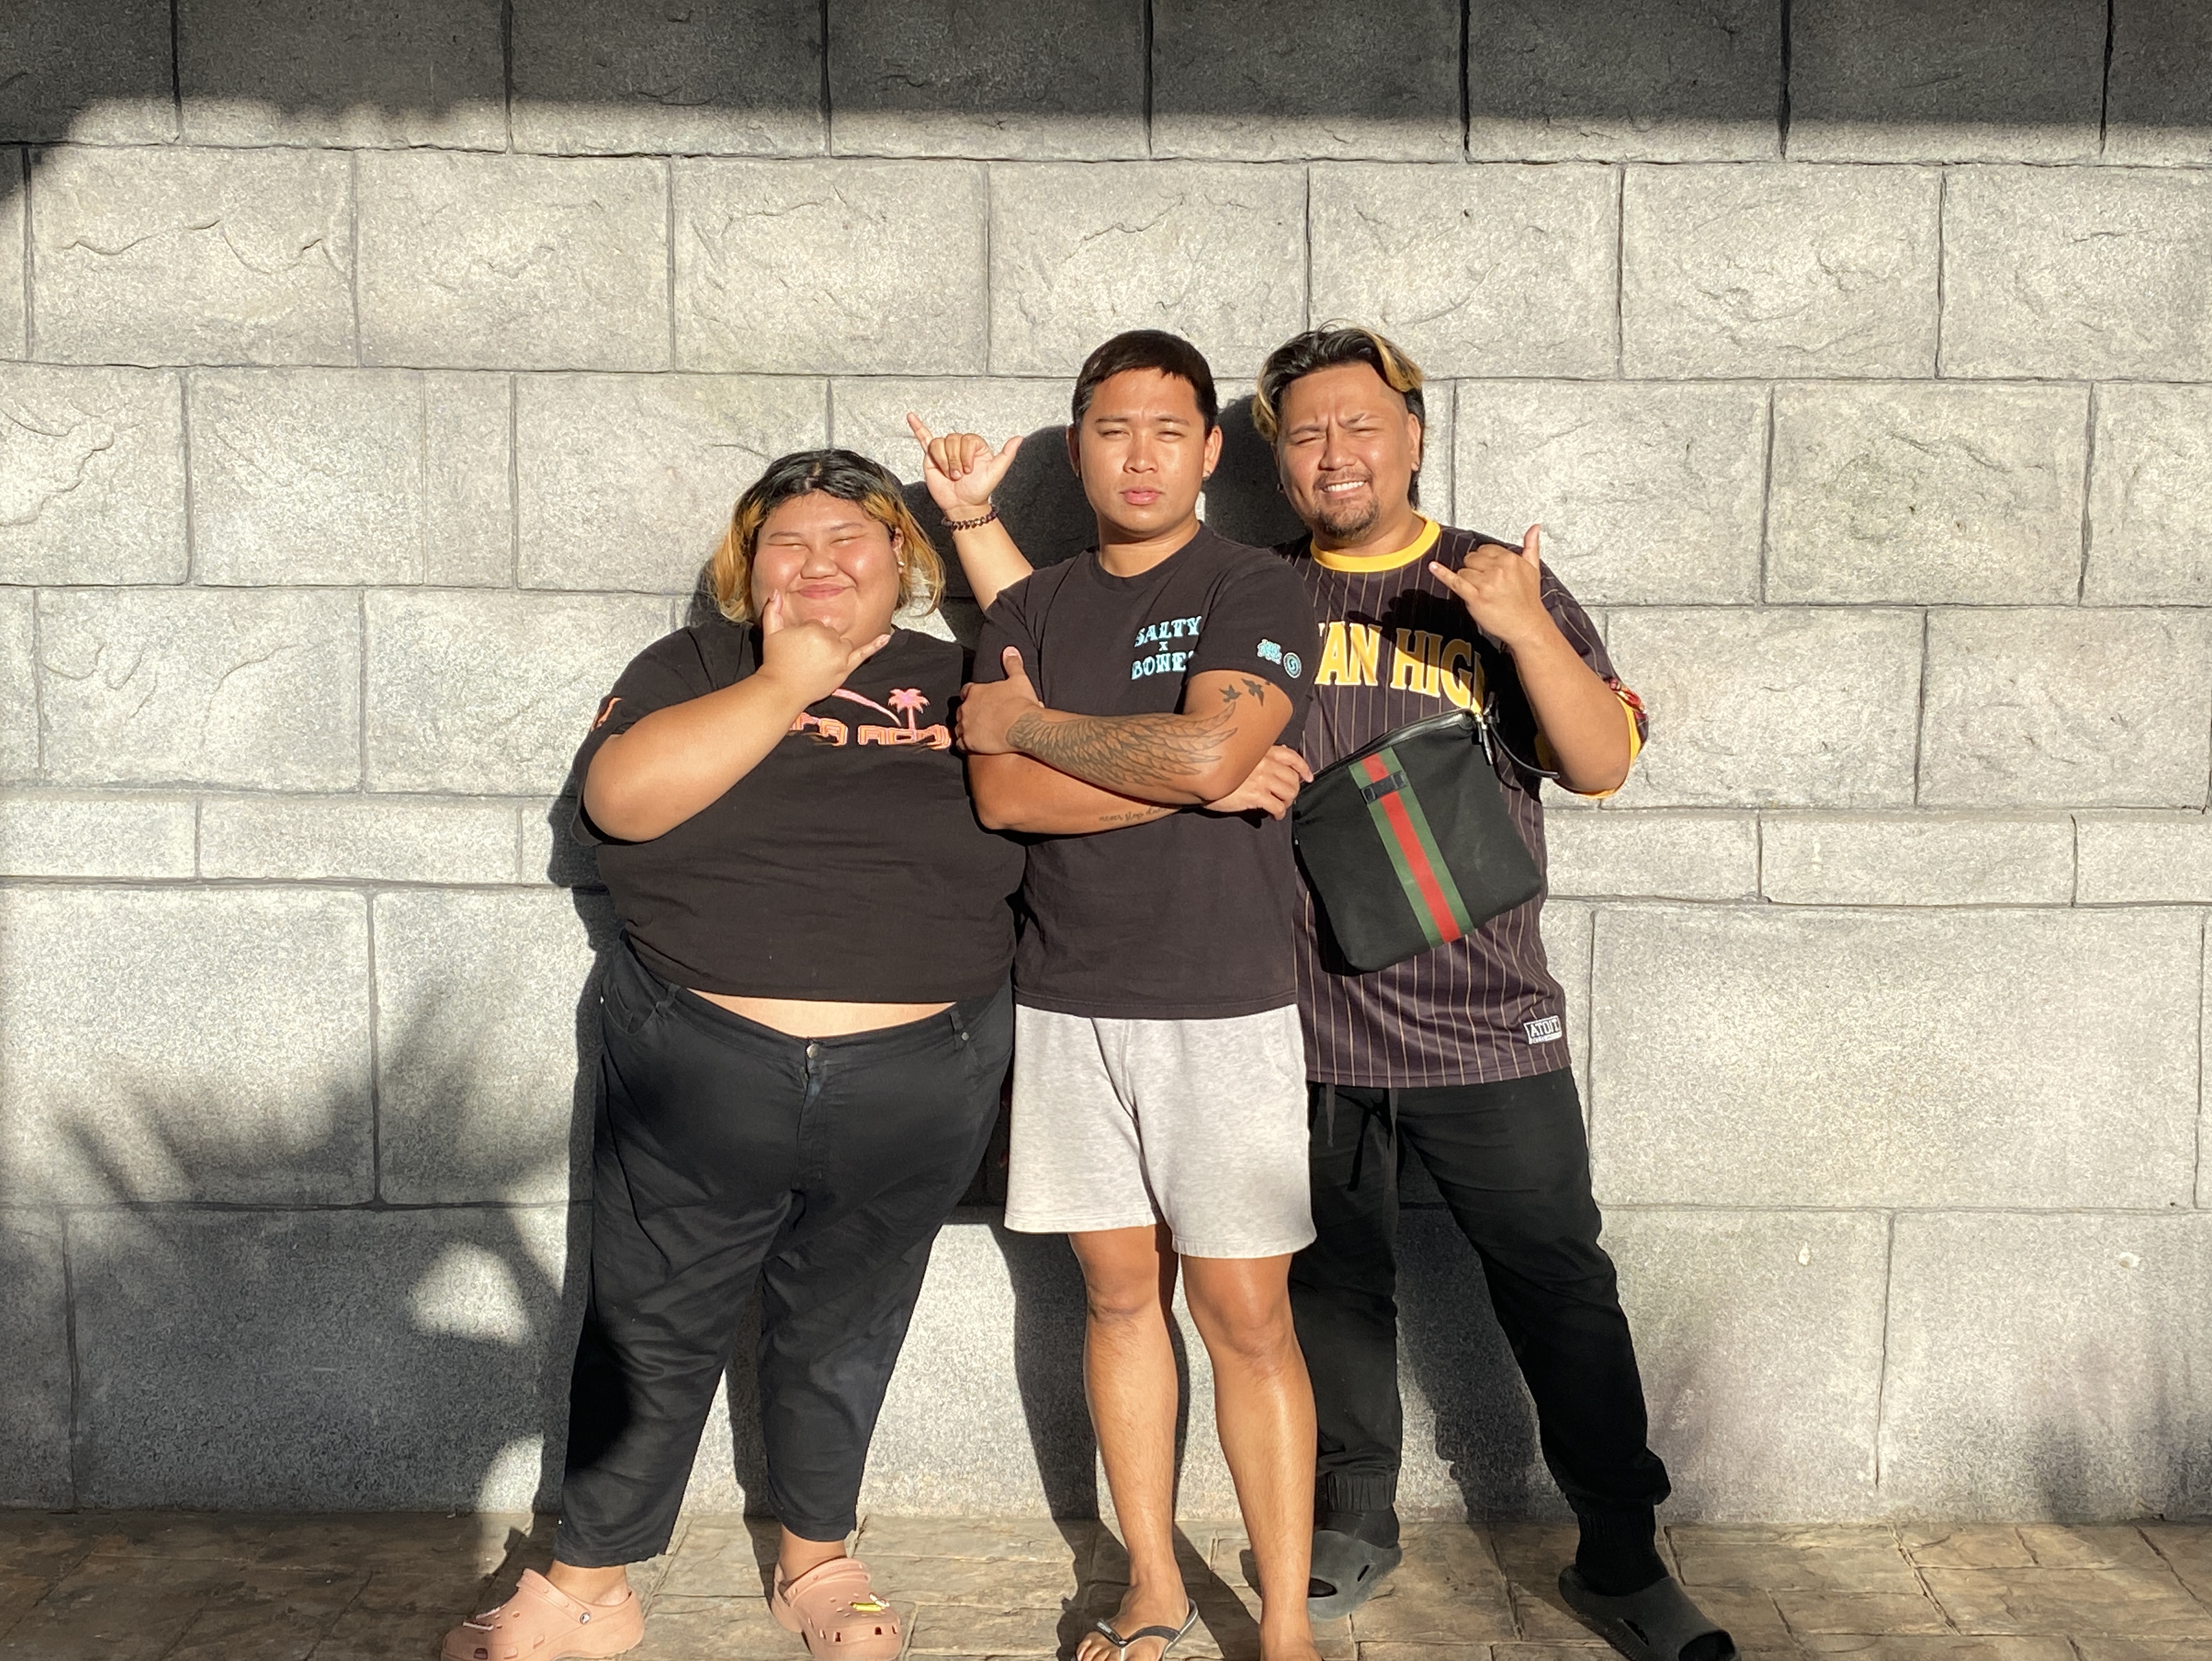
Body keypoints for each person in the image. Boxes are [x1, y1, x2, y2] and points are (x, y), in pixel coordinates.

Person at [442, 450, 1025, 1661]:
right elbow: (623, 802)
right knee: (649, 1321)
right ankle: (590, 1579)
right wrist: (788, 680)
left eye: (848, 539)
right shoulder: (692, 667)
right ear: (746, 569)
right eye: (786, 545)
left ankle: (818, 1558)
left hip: (924, 1071)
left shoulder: (960, 674)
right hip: (701, 1065)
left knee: (849, 1321)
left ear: (902, 561)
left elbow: (1065, 763)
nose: (818, 564)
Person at [1248, 324, 1735, 1661]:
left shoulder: (1492, 579)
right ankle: (1352, 1522)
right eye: (1304, 432)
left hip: (1490, 1021)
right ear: (1277, 458)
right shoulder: (1256, 592)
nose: (1335, 452)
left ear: (1413, 433)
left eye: (1359, 424)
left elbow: (1601, 765)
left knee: (1560, 1286)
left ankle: (1624, 1558)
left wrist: (1521, 625)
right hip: (1306, 1029)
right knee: (1332, 1289)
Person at [918, 330, 1325, 1661]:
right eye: (1110, 428)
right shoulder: (1031, 610)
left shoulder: (1254, 584)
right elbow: (1001, 800)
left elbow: (1212, 748)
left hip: (1226, 999)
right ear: (1077, 446)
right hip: (1069, 998)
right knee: (1112, 1296)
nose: (1139, 454)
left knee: (1246, 1316)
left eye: (1168, 429)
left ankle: (1279, 1625)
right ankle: (1150, 1581)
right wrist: (1176, 767)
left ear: (1212, 451)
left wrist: (1037, 726)